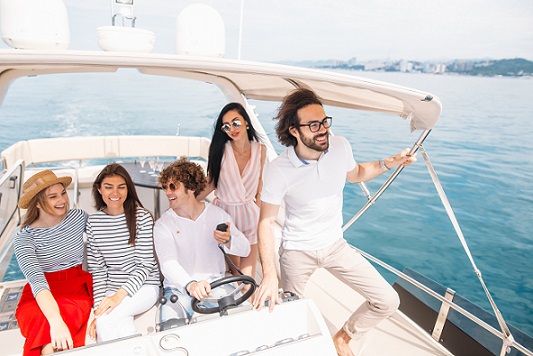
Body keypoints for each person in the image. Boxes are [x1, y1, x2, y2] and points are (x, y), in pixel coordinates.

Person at [252, 88, 417, 356]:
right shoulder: (278, 169)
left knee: (387, 300)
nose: (323, 130)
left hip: (335, 246)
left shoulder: (340, 146)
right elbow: (266, 221)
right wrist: (269, 275)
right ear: (294, 131)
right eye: (314, 125)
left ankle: (343, 338)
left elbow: (356, 174)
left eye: (325, 121)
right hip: (296, 252)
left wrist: (390, 162)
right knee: (290, 318)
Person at [154, 157, 250, 321]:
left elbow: (245, 248)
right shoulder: (163, 224)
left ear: (191, 188)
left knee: (242, 321)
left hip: (215, 286)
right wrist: (191, 284)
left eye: (173, 187)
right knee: (169, 332)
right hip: (179, 290)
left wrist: (229, 241)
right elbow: (168, 263)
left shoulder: (218, 215)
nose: (167, 192)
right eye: (165, 187)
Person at [14, 170, 92, 355]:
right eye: (53, 197)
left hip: (75, 290)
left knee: (52, 339)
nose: (62, 200)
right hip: (40, 294)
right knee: (48, 325)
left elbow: (104, 241)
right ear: (38, 203)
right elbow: (37, 283)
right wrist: (55, 321)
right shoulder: (24, 238)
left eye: (63, 193)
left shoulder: (78, 217)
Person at [86, 163, 160, 342]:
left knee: (107, 320)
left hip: (145, 286)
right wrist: (98, 309)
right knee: (117, 323)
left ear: (128, 189)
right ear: (99, 189)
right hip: (111, 290)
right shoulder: (94, 222)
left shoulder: (141, 217)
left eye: (121, 187)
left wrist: (117, 297)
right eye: (108, 187)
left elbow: (145, 265)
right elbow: (98, 269)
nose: (115, 193)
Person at [197, 102, 266, 281]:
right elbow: (211, 183)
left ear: (247, 123)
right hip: (224, 216)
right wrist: (185, 204)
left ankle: (250, 304)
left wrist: (260, 216)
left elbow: (259, 186)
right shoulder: (220, 149)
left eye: (236, 123)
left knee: (247, 279)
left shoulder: (261, 150)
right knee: (236, 273)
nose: (232, 129)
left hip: (250, 216)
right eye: (226, 126)